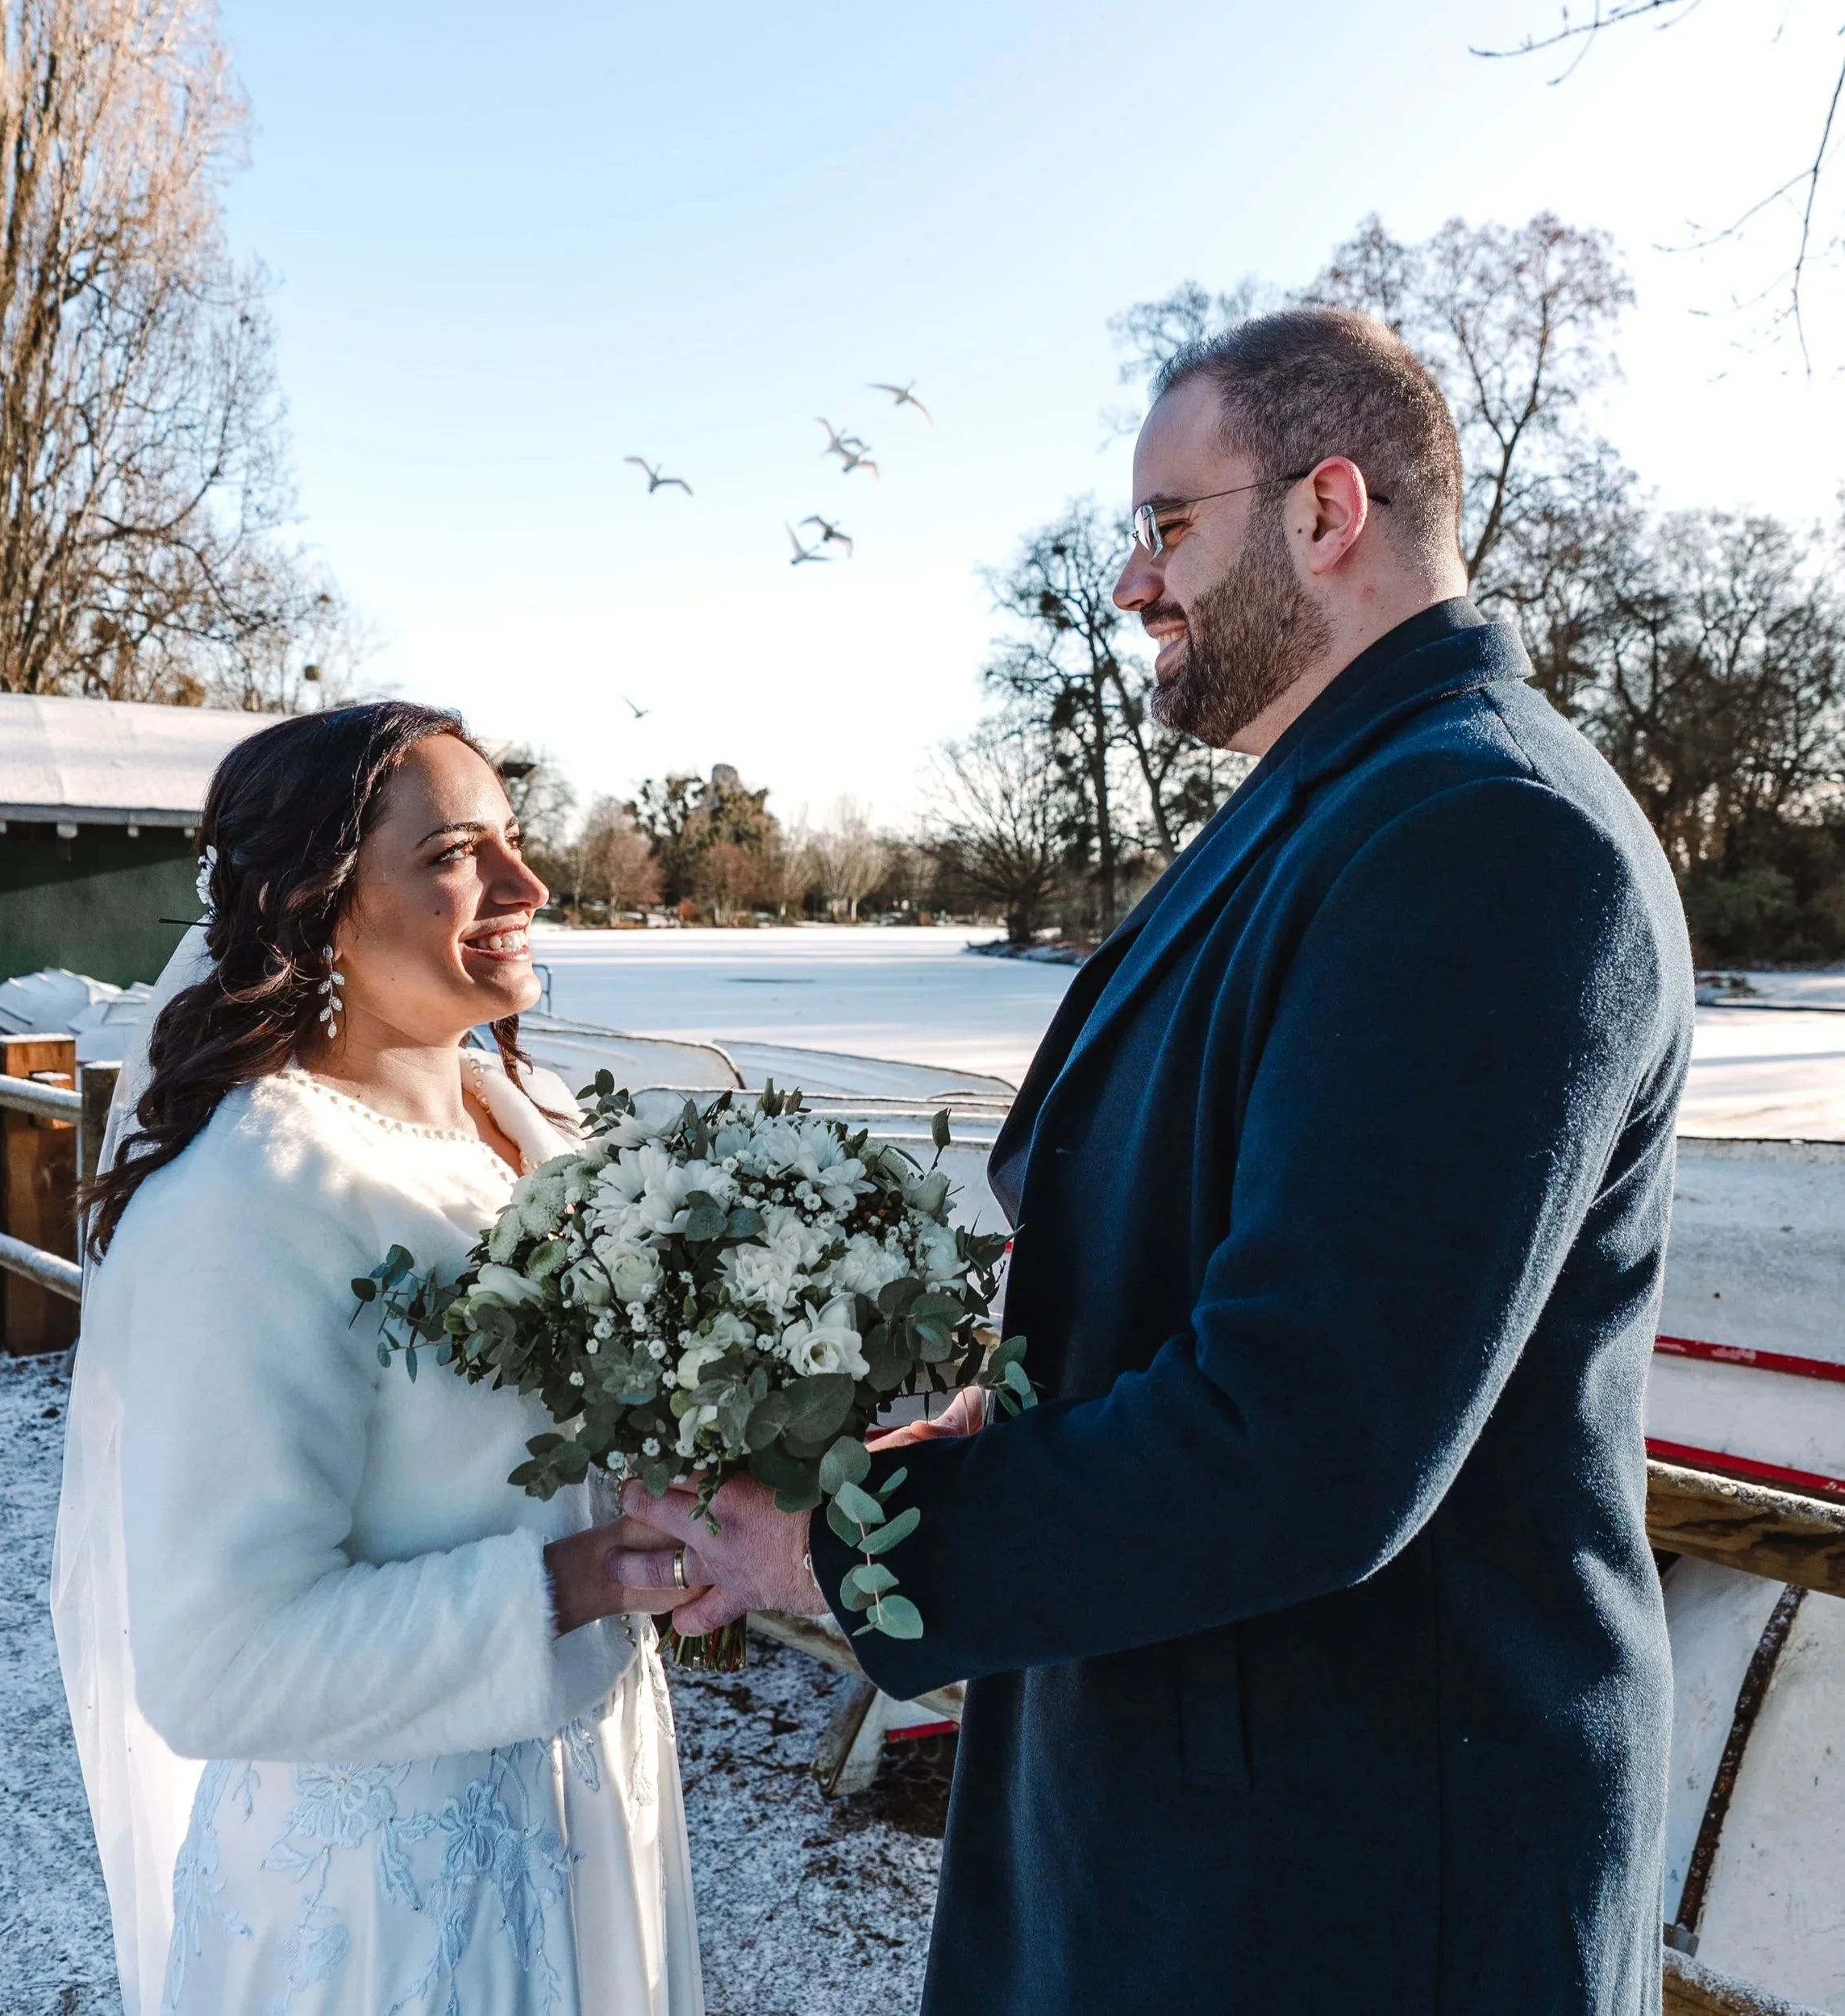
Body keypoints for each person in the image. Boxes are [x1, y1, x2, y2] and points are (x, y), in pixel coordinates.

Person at [614, 307, 1693, 2014]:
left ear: (1325, 509)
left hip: (1351, 1873)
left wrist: (844, 1537)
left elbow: (1307, 1431)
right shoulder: (1338, 801)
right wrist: (999, 1414)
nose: (1130, 582)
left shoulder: (1490, 836)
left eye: (1167, 525)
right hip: (1189, 1799)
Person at [51, 702, 703, 2016]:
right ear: (316, 900)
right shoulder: (252, 1203)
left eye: (514, 840)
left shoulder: (530, 1134)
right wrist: (567, 1584)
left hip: (586, 1806)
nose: (528, 886)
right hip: (394, 1902)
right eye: (460, 852)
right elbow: (217, 1662)